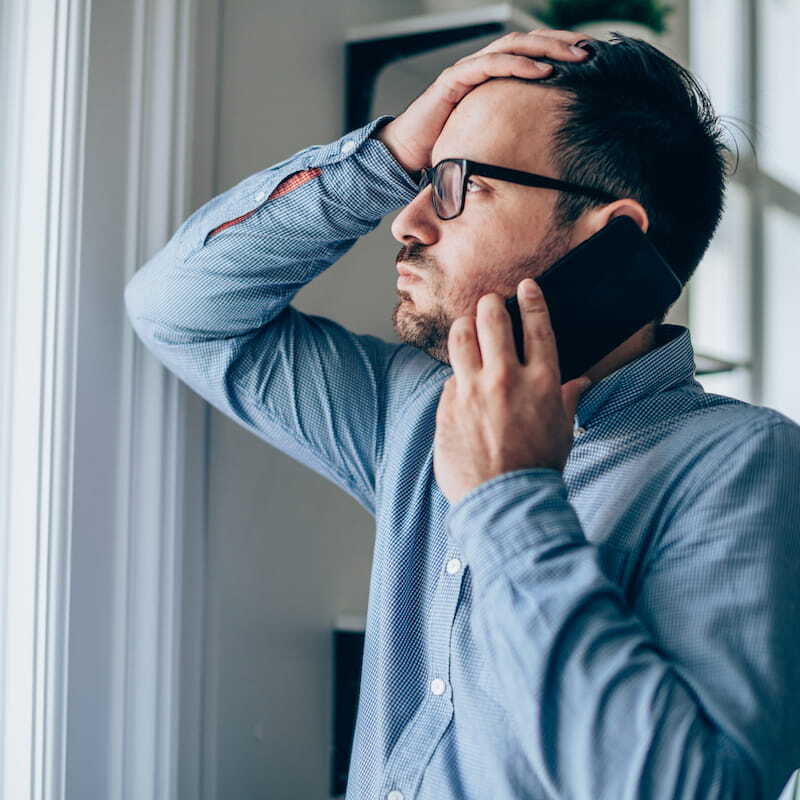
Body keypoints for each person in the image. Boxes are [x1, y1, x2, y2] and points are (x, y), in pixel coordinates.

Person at [124, 28, 800, 800]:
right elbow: (181, 309)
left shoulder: (747, 465)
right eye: (421, 176)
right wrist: (387, 155)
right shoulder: (414, 410)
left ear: (610, 238)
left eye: (455, 182)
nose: (404, 221)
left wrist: (507, 496)